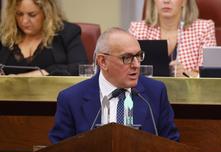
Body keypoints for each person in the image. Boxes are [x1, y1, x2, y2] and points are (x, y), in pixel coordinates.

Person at [49, 27, 179, 143]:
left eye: (138, 56)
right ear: (103, 61)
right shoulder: (71, 99)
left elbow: (171, 147)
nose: (136, 65)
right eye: (127, 58)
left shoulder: (155, 92)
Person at [129, 0, 216, 77]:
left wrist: (187, 74)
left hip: (189, 93)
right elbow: (127, 69)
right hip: (148, 93)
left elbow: (209, 76)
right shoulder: (137, 29)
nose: (166, 1)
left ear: (184, 1)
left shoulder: (204, 28)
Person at [0, 0, 88, 76]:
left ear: (47, 13)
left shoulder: (67, 32)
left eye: (32, 15)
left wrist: (44, 72)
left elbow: (81, 68)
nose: (24, 21)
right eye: (19, 14)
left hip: (54, 94)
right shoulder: (4, 34)